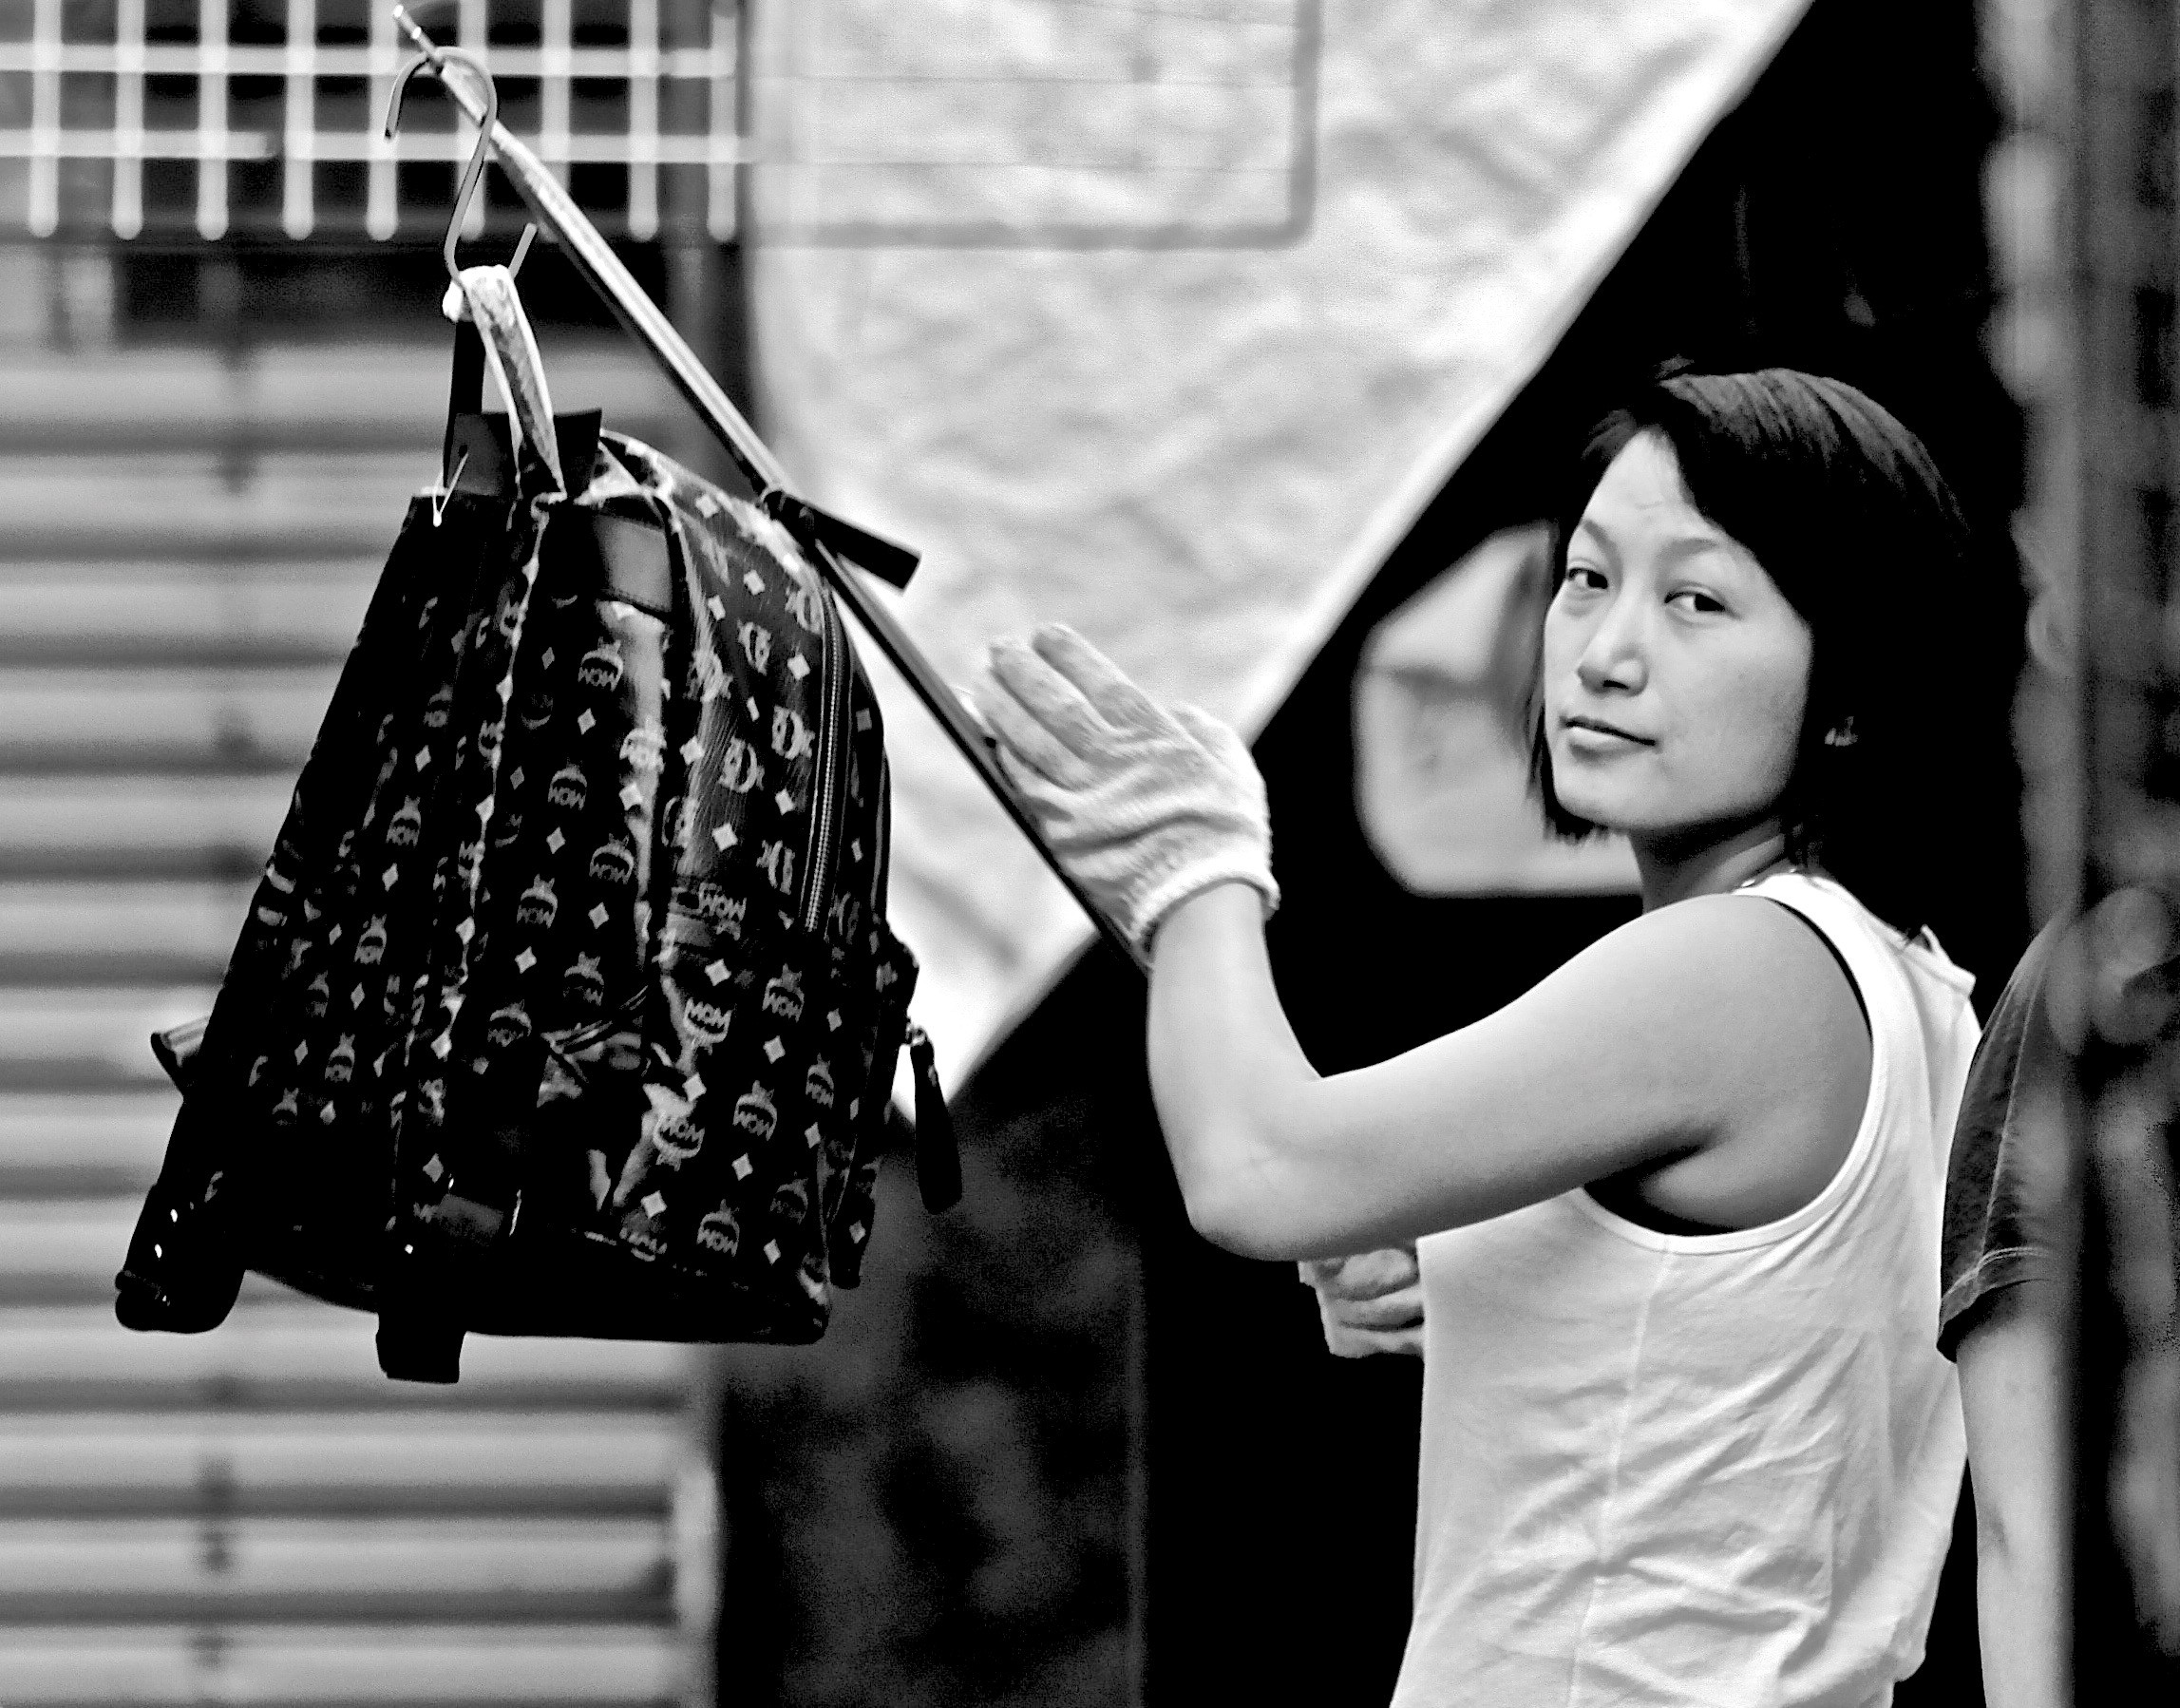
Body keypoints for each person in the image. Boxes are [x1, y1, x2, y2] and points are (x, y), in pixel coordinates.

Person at [975, 370, 1995, 1704]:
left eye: (1696, 599)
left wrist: (1192, 865)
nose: (1606, 649)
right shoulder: (1915, 988)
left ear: (1853, 691)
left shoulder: (1743, 963)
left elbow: (1261, 1169)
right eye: (1585, 578)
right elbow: (1733, 1364)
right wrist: (1465, 1270)